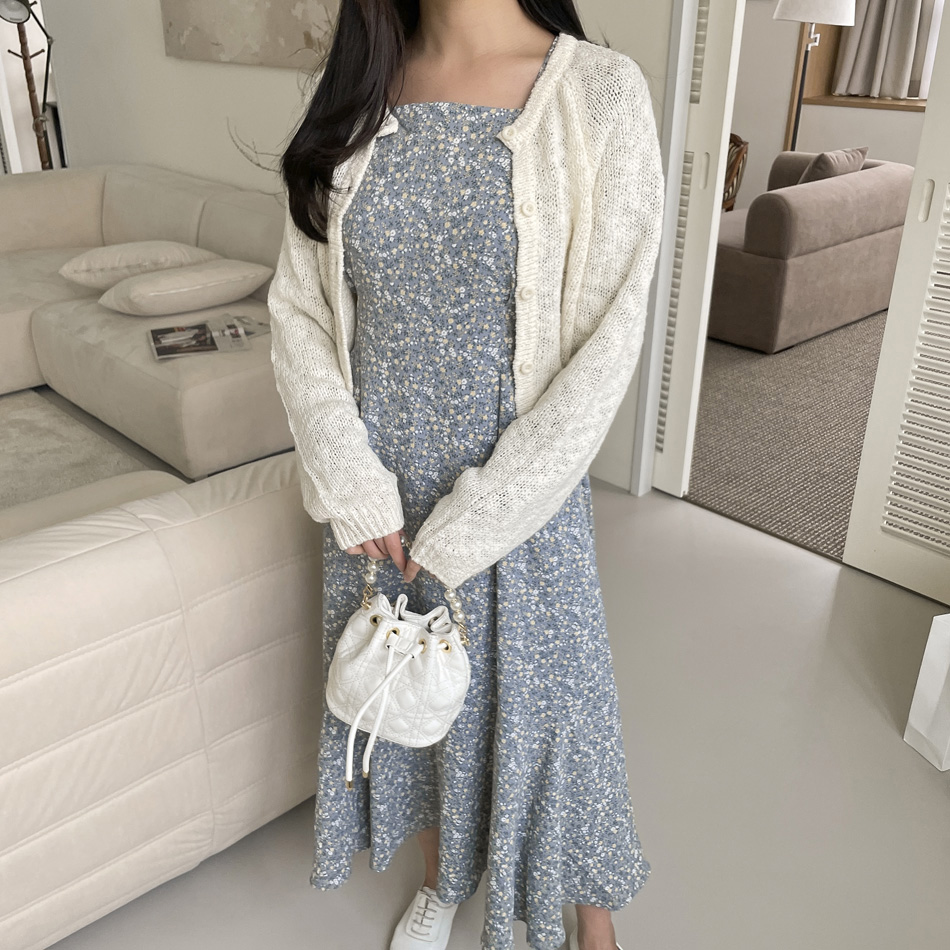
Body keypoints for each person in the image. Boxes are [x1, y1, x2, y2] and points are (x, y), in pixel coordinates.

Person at [267, 2, 666, 949]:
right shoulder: (356, 88)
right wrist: (350, 479)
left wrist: (474, 523)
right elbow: (300, 310)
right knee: (418, 705)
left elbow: (606, 347)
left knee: (554, 714)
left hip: (520, 502)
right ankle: (444, 881)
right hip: (380, 503)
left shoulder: (599, 95)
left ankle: (591, 922)